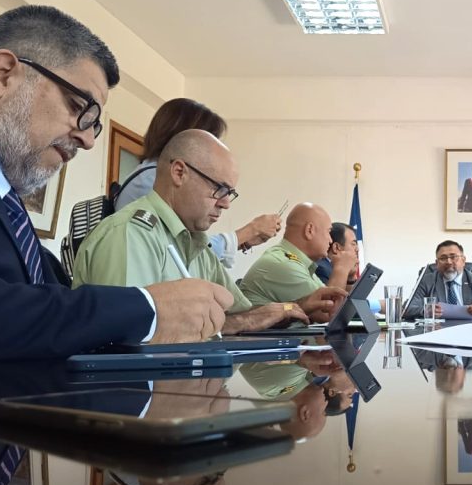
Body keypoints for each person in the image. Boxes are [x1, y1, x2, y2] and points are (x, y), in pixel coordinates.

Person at [0, 5, 231, 359]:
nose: (89, 140)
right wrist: (147, 308)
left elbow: (44, 305)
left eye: (95, 124)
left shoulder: (3, 196)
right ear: (2, 75)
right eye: (78, 106)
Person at [72, 129, 330, 334]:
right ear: (179, 173)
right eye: (220, 189)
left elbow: (240, 313)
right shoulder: (130, 234)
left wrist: (296, 307)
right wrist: (242, 323)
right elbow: (131, 336)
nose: (226, 203)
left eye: (230, 193)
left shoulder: (194, 243)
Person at [114, 97, 282, 269]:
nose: (225, 203)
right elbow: (180, 254)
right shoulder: (153, 180)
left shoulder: (148, 174)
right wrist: (249, 231)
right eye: (208, 141)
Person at [239, 203, 355, 313]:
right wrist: (341, 269)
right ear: (309, 230)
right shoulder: (284, 264)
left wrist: (349, 278)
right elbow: (327, 313)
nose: (330, 240)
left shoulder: (299, 263)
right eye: (328, 232)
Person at [403, 240, 472, 320]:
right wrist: (426, 311)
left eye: (453, 257)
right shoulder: (427, 281)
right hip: (437, 329)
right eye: (443, 258)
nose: (448, 262)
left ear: (463, 260)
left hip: (471, 329)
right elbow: (407, 308)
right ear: (437, 263)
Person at [315, 222, 360, 286]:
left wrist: (351, 277)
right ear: (336, 248)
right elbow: (335, 292)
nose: (357, 249)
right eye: (353, 244)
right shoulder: (321, 269)